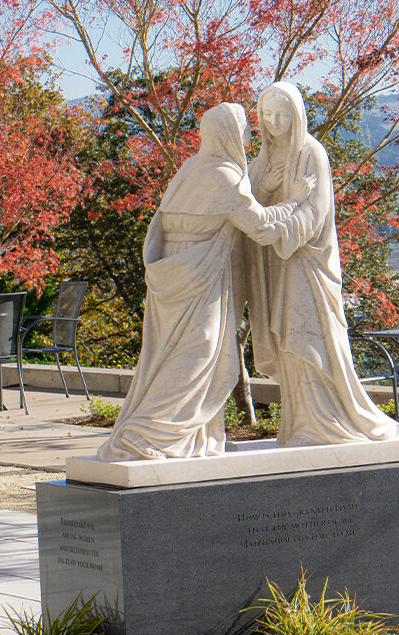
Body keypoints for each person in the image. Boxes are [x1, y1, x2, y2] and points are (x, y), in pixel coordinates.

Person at [98, 103, 295, 461]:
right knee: (199, 354)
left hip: (173, 274)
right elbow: (262, 228)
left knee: (170, 354)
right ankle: (147, 435)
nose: (249, 137)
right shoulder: (223, 176)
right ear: (229, 134)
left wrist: (261, 188)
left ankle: (194, 438)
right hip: (198, 279)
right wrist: (297, 206)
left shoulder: (190, 169)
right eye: (245, 130)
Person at [245, 82, 399, 446]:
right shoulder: (259, 163)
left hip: (306, 265)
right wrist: (262, 193)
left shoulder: (311, 153)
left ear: (297, 115)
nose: (274, 121)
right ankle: (301, 424)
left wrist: (276, 232)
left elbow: (315, 213)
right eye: (268, 114)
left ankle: (324, 423)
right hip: (274, 269)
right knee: (288, 344)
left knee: (308, 341)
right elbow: (246, 210)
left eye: (283, 114)